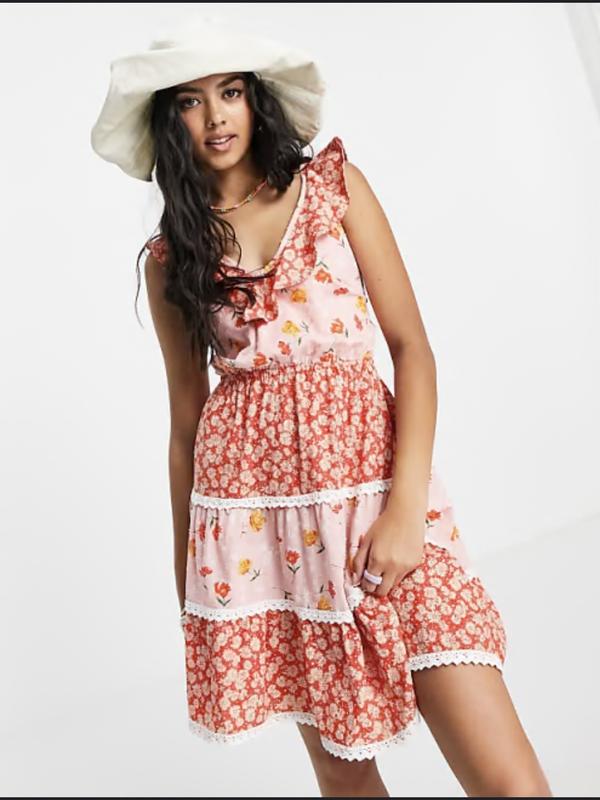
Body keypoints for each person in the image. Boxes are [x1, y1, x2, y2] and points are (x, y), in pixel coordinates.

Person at [91, 15, 552, 798]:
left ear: (255, 99)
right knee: (347, 782)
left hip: (381, 501)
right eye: (191, 102)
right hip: (266, 532)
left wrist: (405, 509)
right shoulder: (172, 259)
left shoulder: (334, 189)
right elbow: (186, 426)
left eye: (230, 92)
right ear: (169, 121)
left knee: (510, 782)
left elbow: (411, 348)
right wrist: (188, 576)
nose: (216, 117)